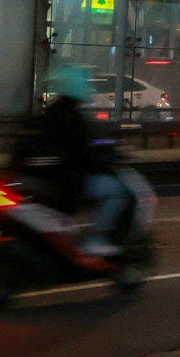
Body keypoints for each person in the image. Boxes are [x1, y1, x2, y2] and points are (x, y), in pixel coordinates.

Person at [28, 66, 132, 256]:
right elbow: (85, 150)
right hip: (70, 179)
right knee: (115, 191)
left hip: (50, 177)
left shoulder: (51, 113)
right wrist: (104, 157)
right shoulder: (73, 117)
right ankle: (96, 239)